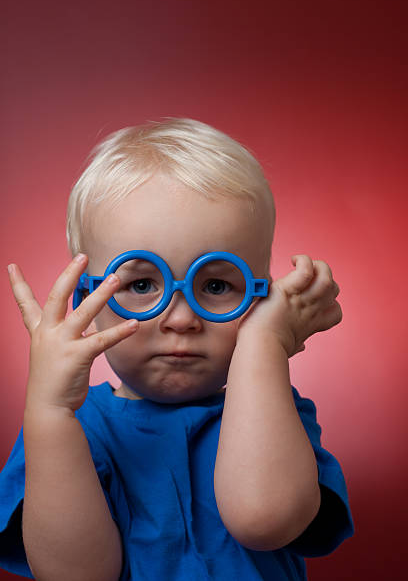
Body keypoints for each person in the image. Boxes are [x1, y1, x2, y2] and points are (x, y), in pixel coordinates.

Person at [0, 119, 354, 580]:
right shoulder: (68, 427)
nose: (182, 318)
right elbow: (76, 574)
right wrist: (48, 411)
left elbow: (264, 519)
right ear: (87, 300)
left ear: (259, 295)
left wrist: (266, 340)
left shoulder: (273, 410)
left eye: (217, 284)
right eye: (143, 283)